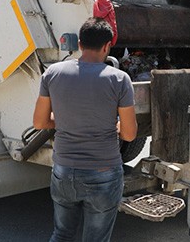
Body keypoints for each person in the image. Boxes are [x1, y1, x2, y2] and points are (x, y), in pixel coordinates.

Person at [33, 17, 137, 242]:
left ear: (79, 44)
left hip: (64, 172)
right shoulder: (120, 79)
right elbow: (129, 134)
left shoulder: (52, 73)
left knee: (61, 234)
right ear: (107, 46)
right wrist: (116, 126)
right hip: (104, 174)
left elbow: (40, 123)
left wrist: (64, 121)